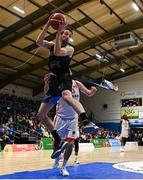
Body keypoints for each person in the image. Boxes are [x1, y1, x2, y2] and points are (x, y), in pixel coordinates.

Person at [36, 14, 98, 159]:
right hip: (53, 79)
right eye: (64, 33)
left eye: (68, 34)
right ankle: (57, 138)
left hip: (64, 77)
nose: (66, 35)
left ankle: (85, 120)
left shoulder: (70, 49)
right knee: (41, 115)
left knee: (66, 96)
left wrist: (58, 31)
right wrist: (47, 23)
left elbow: (58, 52)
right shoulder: (51, 45)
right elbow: (38, 41)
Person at [52, 79, 97, 176]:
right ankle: (56, 157)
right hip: (60, 117)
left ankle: (63, 167)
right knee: (56, 142)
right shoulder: (58, 83)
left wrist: (92, 91)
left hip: (73, 118)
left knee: (71, 143)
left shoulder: (77, 84)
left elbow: (88, 93)